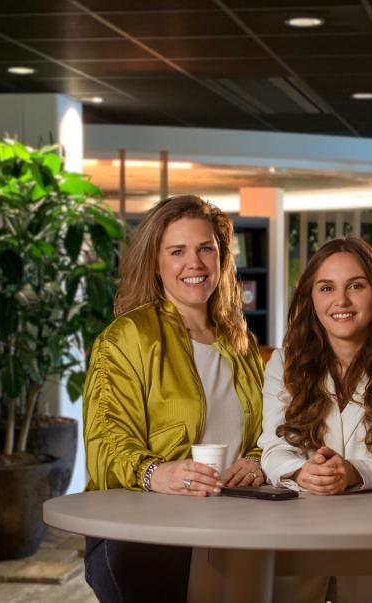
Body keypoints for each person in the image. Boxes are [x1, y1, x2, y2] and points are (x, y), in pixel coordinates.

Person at [81, 195, 266, 603]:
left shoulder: (240, 343)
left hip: (226, 530)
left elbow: (266, 430)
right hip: (141, 535)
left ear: (222, 258)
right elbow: (106, 440)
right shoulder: (128, 337)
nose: (194, 264)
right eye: (177, 251)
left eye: (205, 249)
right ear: (155, 262)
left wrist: (255, 460)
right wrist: (154, 473)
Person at [260, 237, 372, 603]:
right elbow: (274, 447)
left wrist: (352, 472)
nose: (340, 301)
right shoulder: (284, 363)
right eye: (326, 288)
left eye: (356, 286)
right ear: (311, 299)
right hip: (300, 538)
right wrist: (299, 472)